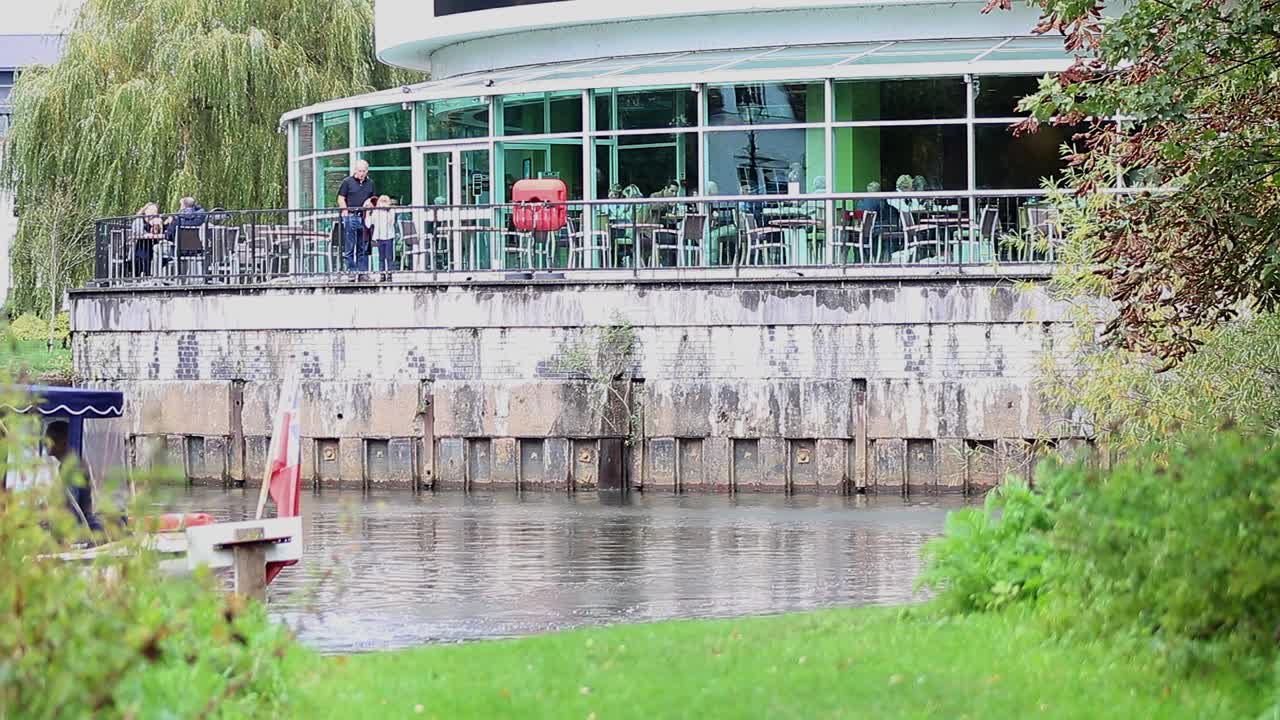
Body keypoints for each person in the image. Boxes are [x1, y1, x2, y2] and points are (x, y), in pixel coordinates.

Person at [45, 421, 102, 531]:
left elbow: (70, 506)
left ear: (63, 442)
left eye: (48, 440)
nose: (45, 444)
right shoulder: (65, 466)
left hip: (77, 529)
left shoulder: (74, 468)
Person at [337, 160, 377, 272]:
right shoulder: (347, 182)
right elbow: (341, 198)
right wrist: (345, 211)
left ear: (367, 171)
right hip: (351, 215)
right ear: (355, 170)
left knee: (363, 246)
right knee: (350, 246)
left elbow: (374, 199)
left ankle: (363, 272)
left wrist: (370, 205)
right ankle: (352, 271)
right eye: (360, 171)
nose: (362, 173)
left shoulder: (370, 183)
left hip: (364, 216)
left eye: (364, 171)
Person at [366, 195, 397, 273]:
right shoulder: (376, 212)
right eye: (381, 202)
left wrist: (387, 210)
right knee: (381, 257)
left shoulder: (391, 211)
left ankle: (390, 273)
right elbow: (368, 224)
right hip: (379, 237)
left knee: (389, 257)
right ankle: (382, 273)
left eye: (385, 202)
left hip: (389, 236)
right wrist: (368, 213)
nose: (383, 204)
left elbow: (391, 222)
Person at [131, 202, 163, 276]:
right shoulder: (139, 220)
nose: (153, 212)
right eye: (151, 210)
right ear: (145, 211)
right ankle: (144, 273)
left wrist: (158, 226)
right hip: (141, 244)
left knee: (157, 251)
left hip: (154, 244)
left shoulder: (156, 221)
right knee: (144, 252)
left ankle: (153, 274)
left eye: (155, 211)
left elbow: (159, 233)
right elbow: (138, 233)